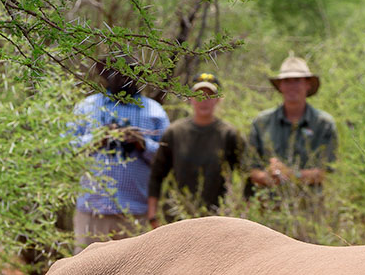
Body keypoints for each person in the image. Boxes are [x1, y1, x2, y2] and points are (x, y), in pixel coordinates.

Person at [67, 66, 168, 251]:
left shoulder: (154, 111)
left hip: (134, 213)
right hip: (93, 210)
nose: (121, 78)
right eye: (115, 72)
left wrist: (142, 143)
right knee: (85, 273)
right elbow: (66, 150)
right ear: (104, 75)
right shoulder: (87, 107)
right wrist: (97, 139)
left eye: (128, 73)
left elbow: (166, 158)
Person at [146, 72, 246, 224]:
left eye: (209, 96)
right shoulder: (174, 132)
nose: (203, 101)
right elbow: (157, 175)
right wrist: (153, 216)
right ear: (190, 98)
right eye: (198, 95)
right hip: (177, 219)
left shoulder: (229, 135)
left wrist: (243, 210)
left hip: (218, 219)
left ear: (218, 99)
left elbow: (248, 173)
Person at [247, 54, 337, 193]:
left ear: (308, 84)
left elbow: (324, 173)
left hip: (310, 207)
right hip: (268, 205)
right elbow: (251, 170)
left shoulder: (323, 123)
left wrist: (291, 175)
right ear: (280, 85)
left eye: (297, 80)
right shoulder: (261, 122)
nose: (292, 86)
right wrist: (270, 175)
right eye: (287, 81)